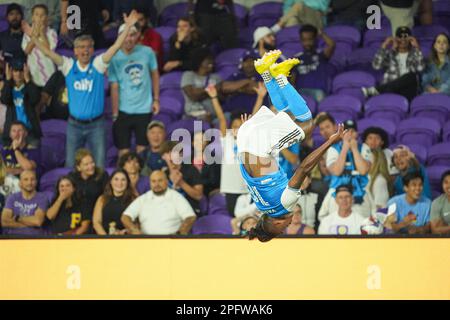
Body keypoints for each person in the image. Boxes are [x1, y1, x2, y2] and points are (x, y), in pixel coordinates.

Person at [238, 50, 345, 242]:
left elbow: (303, 167)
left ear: (277, 225)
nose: (288, 225)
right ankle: (265, 72)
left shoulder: (285, 206)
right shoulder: (262, 207)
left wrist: (330, 142)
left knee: (307, 122)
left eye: (283, 230)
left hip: (258, 145)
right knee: (287, 113)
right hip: (245, 141)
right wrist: (249, 128)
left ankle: (279, 76)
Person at [31, 10, 140, 168]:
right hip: (74, 125)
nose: (85, 50)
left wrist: (128, 26)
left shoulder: (98, 65)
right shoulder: (69, 66)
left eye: (88, 47)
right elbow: (48, 53)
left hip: (96, 125)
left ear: (93, 49)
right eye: (81, 47)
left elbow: (116, 46)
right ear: (75, 51)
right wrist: (34, 38)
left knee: (99, 165)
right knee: (70, 165)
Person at [108, 22, 160, 157]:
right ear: (120, 37)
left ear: (137, 36)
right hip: (123, 111)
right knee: (123, 151)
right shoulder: (114, 57)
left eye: (132, 35)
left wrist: (156, 99)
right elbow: (114, 86)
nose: (129, 39)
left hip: (144, 109)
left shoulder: (147, 52)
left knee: (142, 150)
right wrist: (115, 114)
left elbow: (155, 74)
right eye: (125, 35)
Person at [319, 119, 373, 220]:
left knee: (362, 224)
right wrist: (344, 148)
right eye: (346, 131)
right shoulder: (333, 149)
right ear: (341, 134)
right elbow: (336, 171)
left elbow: (363, 170)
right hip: (337, 192)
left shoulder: (364, 147)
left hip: (360, 191)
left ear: (357, 133)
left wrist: (354, 149)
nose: (349, 134)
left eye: (352, 131)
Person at [181, 48, 254, 120]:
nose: (211, 62)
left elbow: (222, 96)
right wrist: (212, 91)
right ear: (200, 61)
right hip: (193, 114)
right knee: (201, 123)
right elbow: (193, 95)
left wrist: (203, 92)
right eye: (208, 59)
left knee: (231, 117)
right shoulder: (188, 75)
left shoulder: (215, 77)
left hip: (214, 115)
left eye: (212, 60)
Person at [121, 170, 197, 235]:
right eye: (153, 181)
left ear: (166, 181)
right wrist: (135, 231)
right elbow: (125, 217)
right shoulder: (143, 198)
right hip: (146, 242)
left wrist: (179, 235)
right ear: (150, 183)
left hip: (171, 242)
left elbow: (190, 217)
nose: (157, 184)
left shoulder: (176, 197)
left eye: (160, 180)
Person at [362, 26, 425, 101]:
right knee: (391, 86)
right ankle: (382, 90)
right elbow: (376, 66)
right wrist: (384, 46)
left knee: (412, 76)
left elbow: (420, 68)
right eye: (400, 36)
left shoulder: (415, 54)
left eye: (406, 37)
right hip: (391, 91)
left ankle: (378, 90)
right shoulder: (390, 54)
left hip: (408, 91)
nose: (403, 39)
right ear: (395, 38)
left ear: (410, 39)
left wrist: (417, 48)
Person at [1, 62, 42, 146]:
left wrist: (28, 80)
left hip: (29, 132)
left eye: (21, 71)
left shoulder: (30, 87)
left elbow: (35, 99)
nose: (18, 74)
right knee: (8, 156)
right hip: (11, 133)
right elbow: (4, 100)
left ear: (26, 72)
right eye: (15, 71)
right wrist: (8, 81)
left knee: (34, 153)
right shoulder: (8, 87)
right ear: (11, 72)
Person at [292, 24, 335, 102]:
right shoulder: (296, 58)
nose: (307, 43)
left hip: (318, 91)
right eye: (304, 40)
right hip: (301, 91)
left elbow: (331, 45)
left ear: (316, 39)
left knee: (320, 96)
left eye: (310, 39)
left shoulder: (321, 54)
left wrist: (321, 33)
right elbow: (293, 79)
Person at [160, 141, 204, 216]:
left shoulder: (191, 170)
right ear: (163, 156)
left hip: (189, 210)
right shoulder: (163, 174)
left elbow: (199, 196)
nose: (171, 155)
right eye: (167, 152)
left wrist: (181, 183)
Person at [1, 170, 48, 235]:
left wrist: (17, 218)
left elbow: (38, 221)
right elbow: (4, 221)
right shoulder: (12, 198)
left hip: (34, 238)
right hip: (12, 238)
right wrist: (29, 223)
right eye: (26, 179)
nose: (29, 183)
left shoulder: (42, 198)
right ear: (20, 183)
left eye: (32, 179)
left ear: (36, 182)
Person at [21, 4, 58, 88]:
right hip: (34, 73)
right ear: (33, 17)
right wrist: (35, 35)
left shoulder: (52, 33)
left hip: (49, 72)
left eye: (42, 15)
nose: (40, 17)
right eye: (37, 14)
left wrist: (42, 33)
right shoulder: (27, 34)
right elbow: (26, 51)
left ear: (47, 17)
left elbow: (48, 51)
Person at [93, 169, 136, 235]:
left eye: (123, 180)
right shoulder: (102, 199)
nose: (119, 183)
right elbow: (96, 222)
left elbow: (136, 224)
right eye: (116, 179)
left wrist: (126, 232)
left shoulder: (133, 200)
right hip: (104, 239)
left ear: (127, 183)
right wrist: (106, 238)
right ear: (111, 181)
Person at [68, 148, 109, 217]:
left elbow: (107, 196)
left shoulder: (102, 175)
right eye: (86, 164)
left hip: (97, 213)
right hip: (76, 213)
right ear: (78, 167)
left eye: (92, 162)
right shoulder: (72, 177)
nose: (91, 166)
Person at [191, 130, 221, 197]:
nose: (200, 142)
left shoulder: (214, 159)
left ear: (207, 142)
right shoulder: (187, 159)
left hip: (209, 192)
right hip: (191, 192)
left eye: (202, 139)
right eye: (197, 140)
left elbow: (214, 181)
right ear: (192, 143)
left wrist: (196, 183)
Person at [430, 170, 450, 235]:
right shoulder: (436, 203)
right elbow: (434, 230)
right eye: (446, 182)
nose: (449, 185)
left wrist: (445, 226)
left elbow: (440, 229)